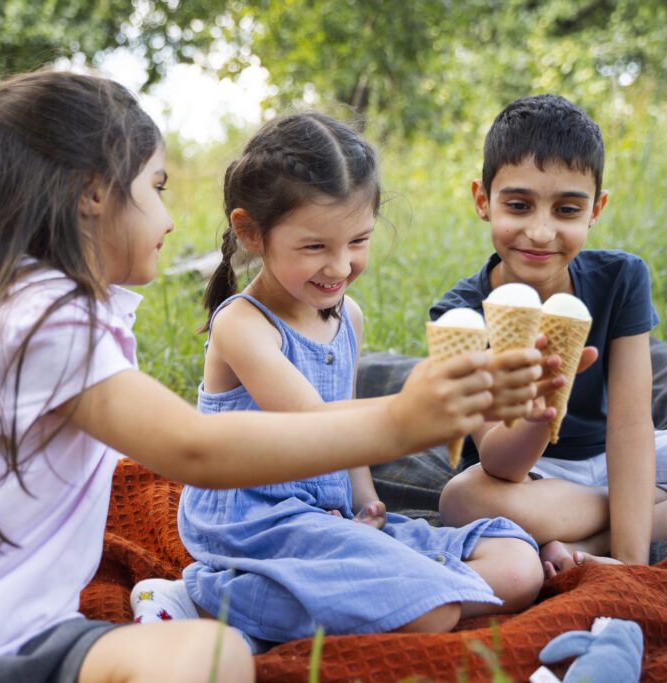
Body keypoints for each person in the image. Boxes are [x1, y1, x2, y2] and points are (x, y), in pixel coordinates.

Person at [0, 72, 514, 683]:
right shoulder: (39, 321)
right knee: (210, 657)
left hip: (25, 635)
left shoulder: (38, 306)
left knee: (213, 652)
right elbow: (194, 448)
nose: (171, 218)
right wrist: (401, 421)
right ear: (91, 192)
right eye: (157, 186)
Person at [130, 112, 548, 650]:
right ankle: (205, 598)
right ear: (250, 232)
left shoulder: (346, 315)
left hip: (326, 517)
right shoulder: (243, 325)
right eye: (314, 247)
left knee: (519, 567)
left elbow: (347, 437)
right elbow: (315, 426)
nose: (340, 265)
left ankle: (320, 603)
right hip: (256, 524)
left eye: (358, 240)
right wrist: (419, 407)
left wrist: (365, 504)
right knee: (432, 610)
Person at [433, 94, 667, 577]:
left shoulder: (622, 277)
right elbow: (499, 464)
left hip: (626, 454)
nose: (541, 231)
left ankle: (599, 535)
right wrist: (538, 406)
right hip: (535, 477)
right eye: (519, 205)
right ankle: (643, 507)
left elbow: (631, 427)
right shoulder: (460, 314)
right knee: (462, 499)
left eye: (567, 210)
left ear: (596, 209)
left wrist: (628, 561)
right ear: (483, 201)